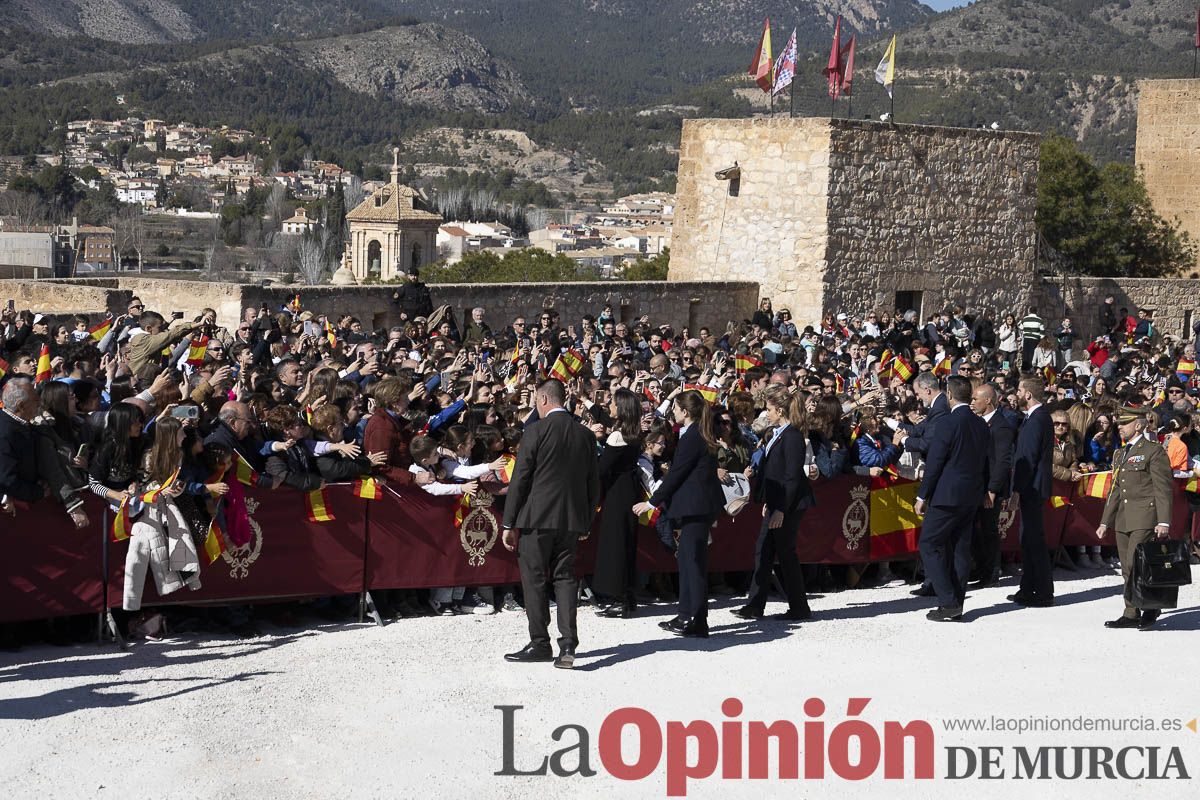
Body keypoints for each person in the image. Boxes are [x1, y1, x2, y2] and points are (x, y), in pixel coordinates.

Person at [501, 379, 600, 669]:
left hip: (536, 518)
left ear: (543, 399)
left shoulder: (535, 431)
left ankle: (540, 643)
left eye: (535, 400)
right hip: (571, 519)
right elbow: (593, 483)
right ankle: (568, 642)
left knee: (534, 580)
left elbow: (519, 479)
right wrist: (586, 521)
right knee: (566, 578)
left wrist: (509, 522)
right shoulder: (585, 435)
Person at [633, 390, 724, 638]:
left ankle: (692, 618)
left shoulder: (692, 435)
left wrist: (652, 503)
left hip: (695, 508)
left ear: (685, 411)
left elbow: (677, 474)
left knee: (690, 562)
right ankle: (692, 616)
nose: (673, 412)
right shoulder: (697, 433)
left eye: (675, 408)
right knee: (692, 561)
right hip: (697, 507)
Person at [734, 386, 815, 622]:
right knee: (764, 551)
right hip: (777, 502)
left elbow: (791, 476)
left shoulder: (792, 436)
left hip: (788, 505)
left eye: (769, 409)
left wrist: (780, 508)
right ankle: (755, 605)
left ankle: (799, 607)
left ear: (780, 410)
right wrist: (770, 502)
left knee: (785, 554)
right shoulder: (779, 432)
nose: (766, 413)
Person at [913, 376, 990, 621]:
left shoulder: (948, 423)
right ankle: (956, 602)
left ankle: (948, 602)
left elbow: (935, 462)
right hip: (971, 495)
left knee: (929, 544)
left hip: (947, 495)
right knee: (959, 549)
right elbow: (986, 461)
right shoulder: (981, 424)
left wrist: (922, 495)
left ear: (948, 394)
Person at [1097, 408, 1175, 630]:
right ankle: (1131, 612)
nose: (1119, 427)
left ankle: (1150, 606)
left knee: (1136, 563)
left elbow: (1163, 489)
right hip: (1123, 517)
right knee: (1126, 567)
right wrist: (1105, 521)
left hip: (1145, 516)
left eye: (1125, 423)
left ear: (1138, 425)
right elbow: (1115, 489)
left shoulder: (1153, 451)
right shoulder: (1120, 453)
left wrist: (1164, 521)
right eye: (1119, 423)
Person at [593, 388, 644, 619]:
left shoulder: (616, 436)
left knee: (614, 543)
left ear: (621, 408)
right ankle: (628, 594)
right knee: (627, 540)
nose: (610, 407)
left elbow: (602, 469)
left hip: (617, 492)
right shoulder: (634, 433)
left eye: (613, 404)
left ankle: (617, 598)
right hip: (629, 490)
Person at [1009, 377, 1055, 607]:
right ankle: (1027, 589)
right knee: (1027, 539)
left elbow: (1027, 458)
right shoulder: (1035, 417)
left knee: (1033, 540)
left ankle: (1044, 592)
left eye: (1019, 390)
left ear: (1027, 394)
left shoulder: (1037, 419)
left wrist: (1017, 490)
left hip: (1033, 487)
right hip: (1033, 486)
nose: (1016, 393)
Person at [969, 383, 1016, 587]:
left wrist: (992, 490)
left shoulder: (1001, 426)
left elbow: (1002, 461)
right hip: (976, 485)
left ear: (988, 400)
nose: (972, 403)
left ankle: (991, 572)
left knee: (988, 530)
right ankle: (980, 568)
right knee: (975, 530)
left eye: (975, 399)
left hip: (989, 489)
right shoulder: (978, 422)